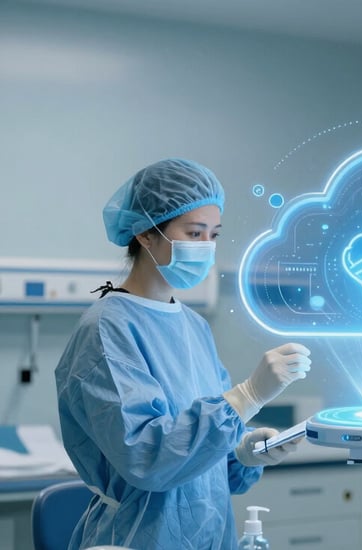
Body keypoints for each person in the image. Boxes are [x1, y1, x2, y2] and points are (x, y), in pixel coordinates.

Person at [55, 158, 312, 550]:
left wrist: (242, 454)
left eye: (214, 235)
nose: (206, 247)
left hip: (210, 534)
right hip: (136, 537)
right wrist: (247, 397)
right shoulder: (107, 329)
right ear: (144, 232)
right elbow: (146, 457)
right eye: (194, 232)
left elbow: (199, 460)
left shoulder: (193, 326)